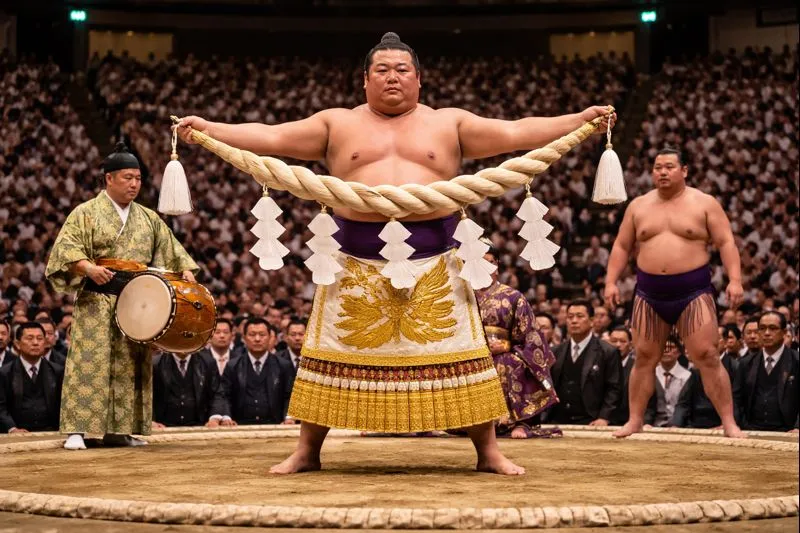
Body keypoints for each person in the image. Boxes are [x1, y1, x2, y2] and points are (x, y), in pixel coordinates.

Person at [178, 32, 614, 474]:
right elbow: (271, 136)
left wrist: (577, 118)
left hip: (437, 257)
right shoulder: (336, 123)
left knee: (466, 353)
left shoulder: (449, 123)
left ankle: (489, 451)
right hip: (353, 258)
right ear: (364, 80)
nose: (392, 77)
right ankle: (308, 450)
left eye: (402, 70)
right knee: (328, 353)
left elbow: (516, 131)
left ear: (419, 80)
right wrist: (211, 130)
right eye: (382, 70)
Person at [45, 143, 199, 450]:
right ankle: (77, 429)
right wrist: (88, 267)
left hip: (137, 303)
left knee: (131, 364)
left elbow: (172, 253)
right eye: (128, 177)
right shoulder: (85, 213)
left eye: (138, 178)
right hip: (97, 299)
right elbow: (65, 251)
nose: (134, 184)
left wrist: (186, 271)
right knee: (90, 363)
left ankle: (121, 430)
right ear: (109, 179)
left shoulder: (149, 218)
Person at [604, 147, 746, 438]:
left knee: (706, 354)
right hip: (648, 292)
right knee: (643, 357)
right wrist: (610, 282)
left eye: (669, 166)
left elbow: (726, 242)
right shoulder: (638, 206)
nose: (663, 172)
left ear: (684, 170)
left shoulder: (704, 203)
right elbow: (621, 246)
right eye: (657, 167)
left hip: (692, 291)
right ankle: (634, 420)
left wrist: (735, 280)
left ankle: (729, 422)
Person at [475, 250, 559, 439]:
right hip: (472, 353)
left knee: (512, 362)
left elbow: (529, 334)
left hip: (505, 350)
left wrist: (507, 346)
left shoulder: (514, 296)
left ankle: (520, 422)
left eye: (488, 261)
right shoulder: (463, 297)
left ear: (496, 265)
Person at [547, 301, 622, 426]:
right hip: (557, 420)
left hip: (591, 420)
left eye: (579, 316)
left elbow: (614, 388)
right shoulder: (556, 351)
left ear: (592, 321)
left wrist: (604, 417)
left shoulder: (607, 351)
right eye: (570, 317)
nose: (574, 321)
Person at [208, 318, 295, 426]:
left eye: (262, 335)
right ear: (244, 338)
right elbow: (224, 394)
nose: (257, 339)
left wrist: (288, 417)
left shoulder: (283, 365)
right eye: (252, 335)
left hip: (275, 424)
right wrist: (226, 417)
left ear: (270, 337)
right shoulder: (233, 365)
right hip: (240, 425)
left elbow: (290, 395)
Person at [733, 311, 799, 433]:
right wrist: (738, 424)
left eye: (773, 328)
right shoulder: (746, 363)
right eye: (762, 328)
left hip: (788, 432)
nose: (767, 333)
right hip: (751, 430)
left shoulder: (796, 361)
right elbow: (736, 399)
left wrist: (797, 427)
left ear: (784, 332)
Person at [0, 322, 64, 433]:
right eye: (29, 338)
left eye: (40, 339)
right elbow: (1, 407)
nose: (35, 343)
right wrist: (12, 429)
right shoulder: (5, 372)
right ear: (17, 344)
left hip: (51, 431)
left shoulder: (57, 371)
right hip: (17, 433)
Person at [152, 350, 220, 428]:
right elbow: (146, 396)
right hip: (163, 426)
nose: (184, 342)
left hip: (199, 426)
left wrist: (214, 418)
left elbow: (217, 393)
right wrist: (151, 421)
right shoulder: (155, 363)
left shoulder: (207, 362)